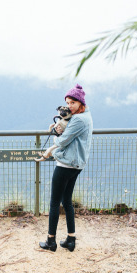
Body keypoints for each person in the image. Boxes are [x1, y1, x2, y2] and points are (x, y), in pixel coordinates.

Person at [39, 84, 93, 252]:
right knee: (66, 201)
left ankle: (51, 241)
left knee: (55, 202)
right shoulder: (87, 116)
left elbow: (63, 141)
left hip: (66, 164)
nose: (69, 106)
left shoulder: (78, 119)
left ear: (80, 103)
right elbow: (69, 136)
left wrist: (52, 144)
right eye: (68, 103)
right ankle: (70, 239)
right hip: (77, 164)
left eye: (73, 103)